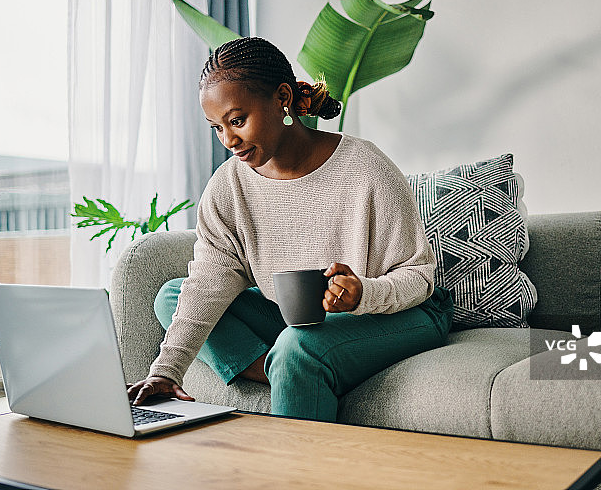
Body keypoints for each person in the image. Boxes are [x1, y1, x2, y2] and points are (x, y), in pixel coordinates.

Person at [127, 37, 453, 422]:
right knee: (173, 295)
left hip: (403, 313)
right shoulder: (229, 186)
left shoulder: (366, 168)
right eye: (216, 127)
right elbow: (208, 284)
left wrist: (363, 293)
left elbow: (419, 278)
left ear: (282, 97)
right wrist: (165, 372)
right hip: (304, 319)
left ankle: (298, 373)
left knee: (298, 347)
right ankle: (293, 372)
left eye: (237, 120)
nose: (229, 140)